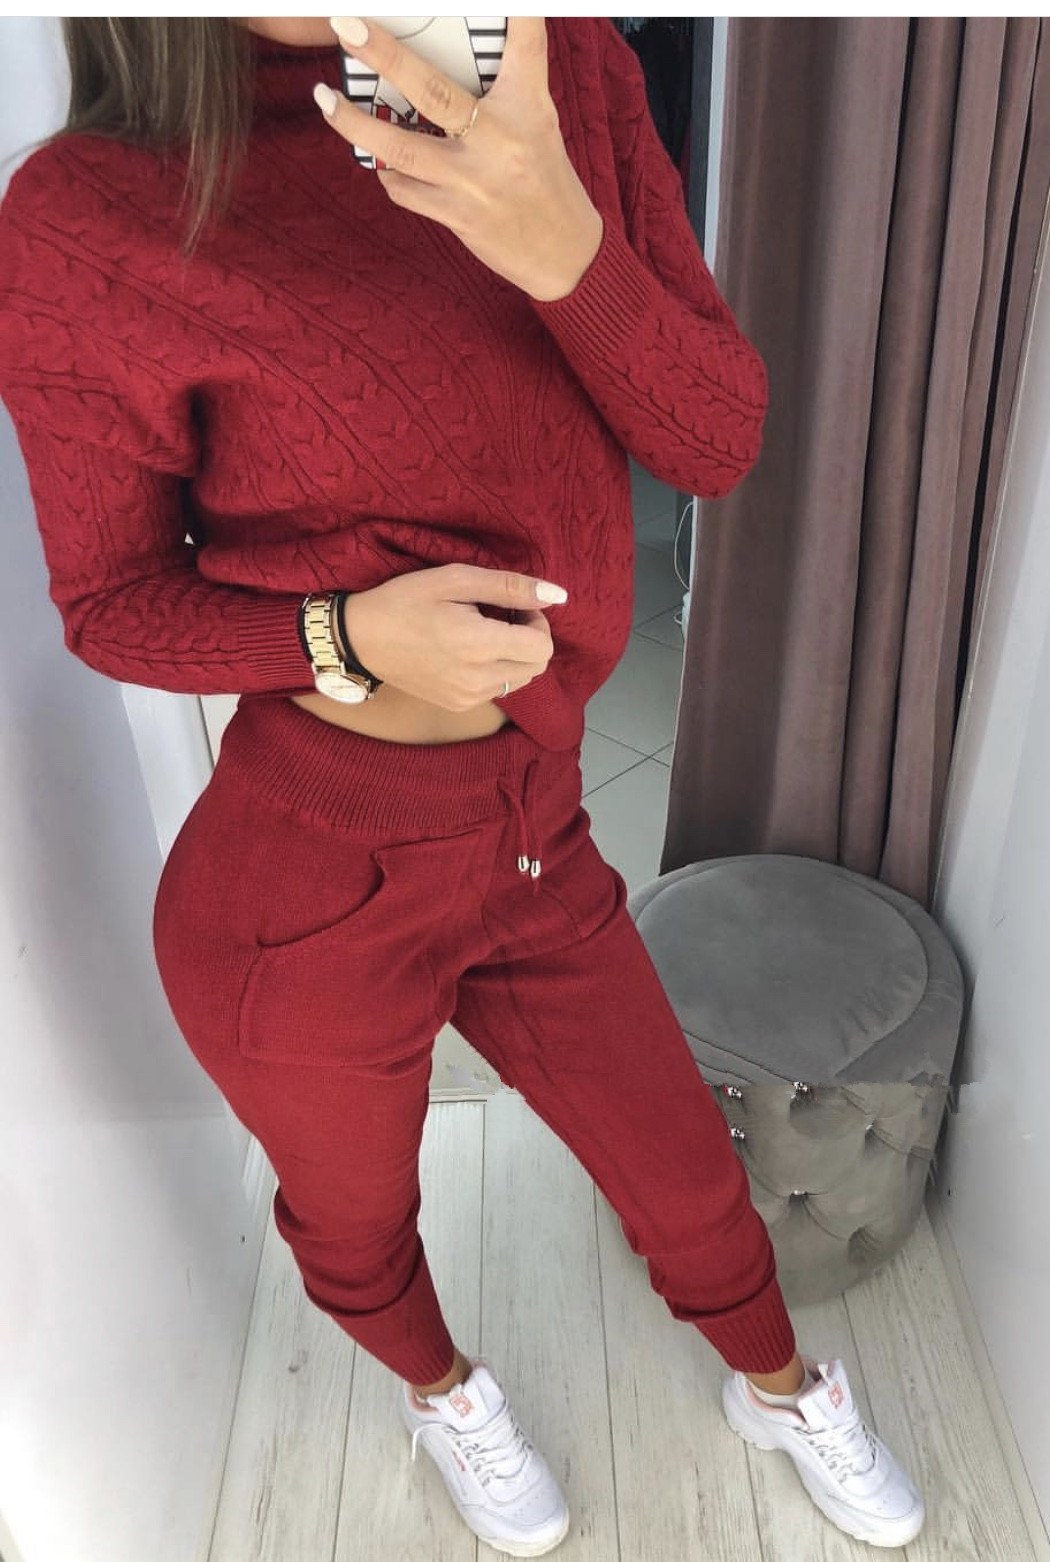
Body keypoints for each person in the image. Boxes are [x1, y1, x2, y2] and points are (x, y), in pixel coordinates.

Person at [0, 16, 926, 1556]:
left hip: (533, 831)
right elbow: (111, 605)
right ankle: (448, 1398)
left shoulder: (568, 67)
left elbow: (711, 439)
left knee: (685, 1176)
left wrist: (563, 244)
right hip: (302, 885)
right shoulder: (92, 211)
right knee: (355, 1219)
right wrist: (343, 633)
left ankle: (780, 1386)